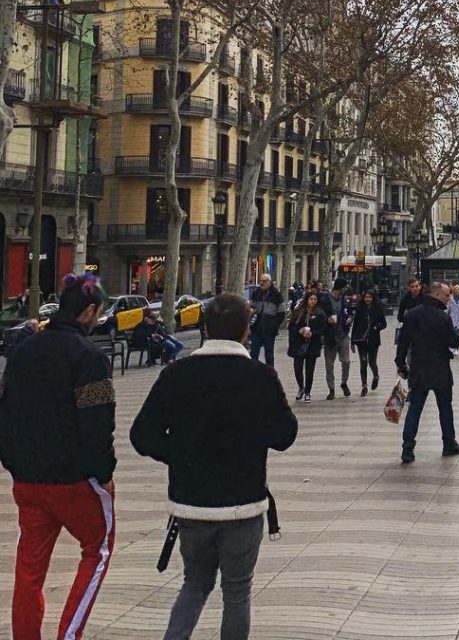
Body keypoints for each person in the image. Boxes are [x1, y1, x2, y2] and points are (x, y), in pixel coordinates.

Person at [130, 292, 298, 640]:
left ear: (204, 327)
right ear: (246, 332)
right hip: (242, 501)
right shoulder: (260, 376)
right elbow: (284, 435)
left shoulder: (178, 373)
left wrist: (180, 453)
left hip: (191, 502)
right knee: (237, 591)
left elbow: (141, 434)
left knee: (194, 584)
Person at [0, 273, 116, 640]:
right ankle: (69, 634)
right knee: (97, 552)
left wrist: (13, 462)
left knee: (29, 569)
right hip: (74, 481)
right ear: (89, 312)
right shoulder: (89, 357)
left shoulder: (22, 353)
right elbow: (98, 424)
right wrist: (103, 473)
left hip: (27, 480)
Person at [396, 281, 459, 463]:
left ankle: (407, 448)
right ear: (436, 295)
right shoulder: (442, 317)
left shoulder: (412, 314)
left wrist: (400, 363)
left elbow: (403, 342)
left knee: (415, 408)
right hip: (440, 369)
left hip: (419, 369)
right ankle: (449, 443)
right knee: (445, 407)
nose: (448, 298)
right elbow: (453, 342)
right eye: (446, 295)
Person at [287, 290, 326, 403]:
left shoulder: (319, 313)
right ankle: (301, 387)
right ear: (307, 299)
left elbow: (322, 328)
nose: (312, 301)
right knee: (298, 368)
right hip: (298, 344)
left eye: (315, 299)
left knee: (310, 370)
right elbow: (292, 327)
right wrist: (300, 330)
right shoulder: (299, 311)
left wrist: (312, 333)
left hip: (312, 344)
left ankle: (308, 391)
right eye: (311, 299)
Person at [351, 289, 388, 396]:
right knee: (363, 362)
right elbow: (355, 325)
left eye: (369, 297)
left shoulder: (377, 308)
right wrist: (352, 341)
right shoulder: (360, 308)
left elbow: (384, 323)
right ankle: (364, 385)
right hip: (361, 340)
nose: (367, 299)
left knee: (372, 362)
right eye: (366, 297)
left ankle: (376, 375)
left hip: (373, 340)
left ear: (373, 298)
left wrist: (377, 327)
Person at [249, 273, 285, 367]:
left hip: (269, 330)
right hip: (256, 328)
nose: (261, 283)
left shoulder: (276, 295)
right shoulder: (256, 293)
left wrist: (274, 325)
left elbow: (281, 313)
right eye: (260, 281)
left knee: (269, 354)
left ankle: (270, 375)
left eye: (264, 281)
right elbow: (251, 307)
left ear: (269, 282)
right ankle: (252, 373)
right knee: (253, 353)